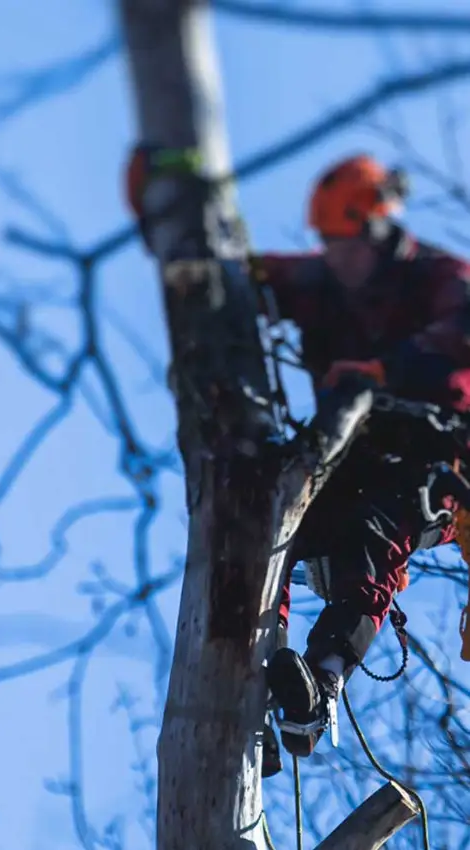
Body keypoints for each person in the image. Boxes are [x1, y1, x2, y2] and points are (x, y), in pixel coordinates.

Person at [249, 154, 470, 770]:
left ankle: (320, 688)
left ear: (377, 234)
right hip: (341, 461)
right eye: (328, 245)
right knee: (272, 530)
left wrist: (385, 372)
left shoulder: (439, 280)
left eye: (345, 245)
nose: (335, 258)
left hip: (428, 464)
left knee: (372, 540)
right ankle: (256, 674)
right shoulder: (322, 281)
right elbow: (249, 274)